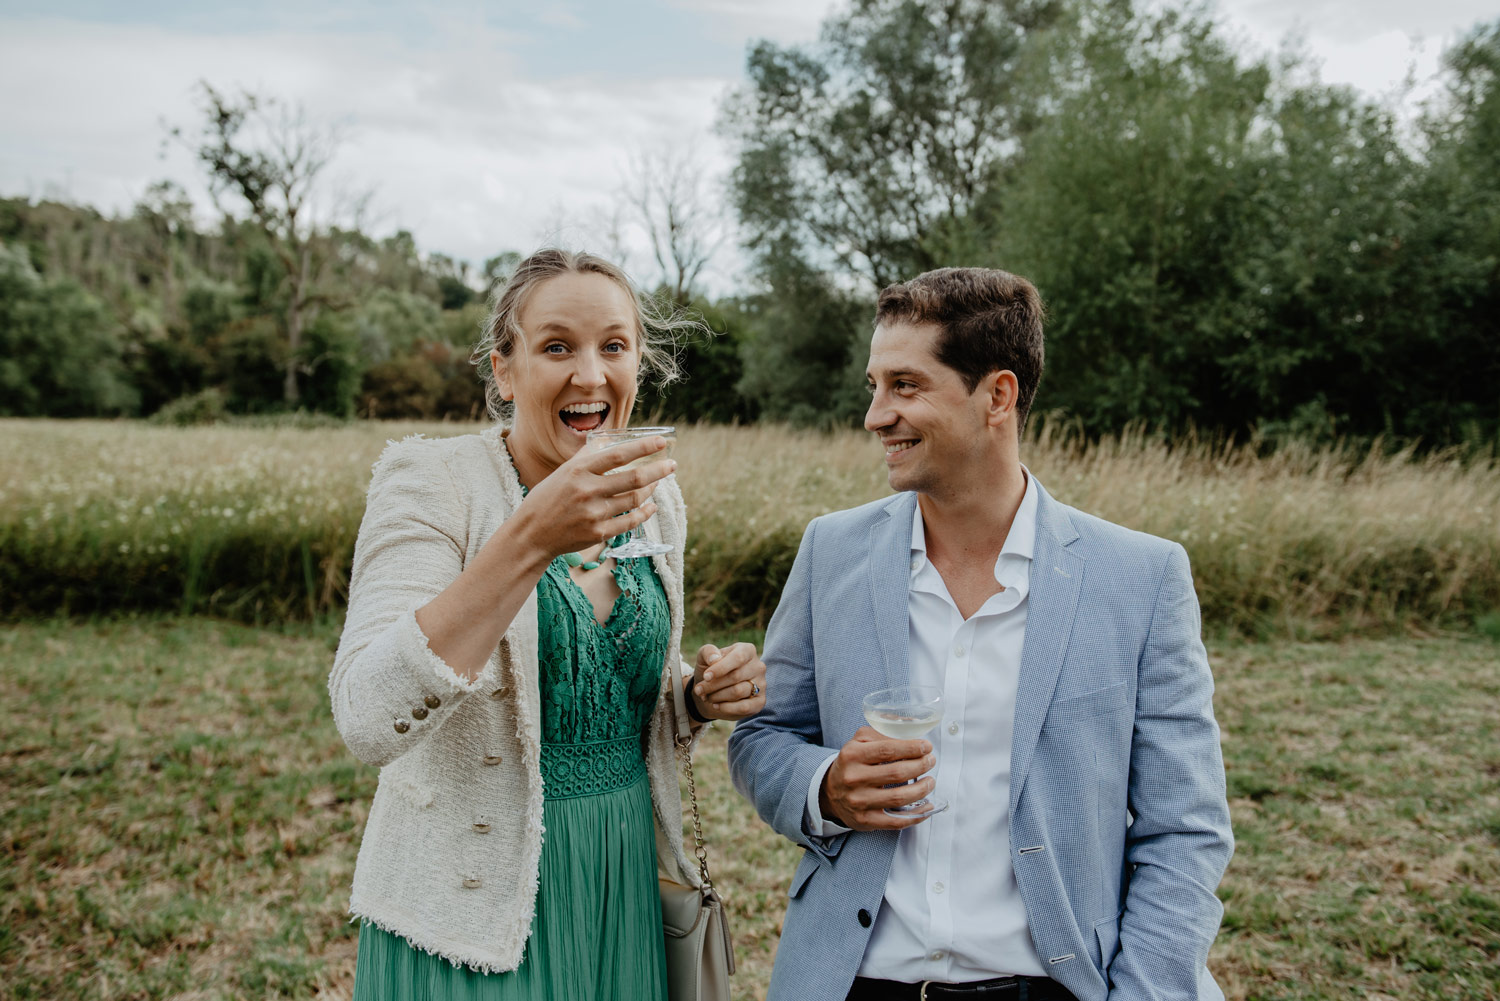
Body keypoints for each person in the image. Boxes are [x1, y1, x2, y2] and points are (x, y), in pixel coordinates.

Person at [727, 267, 1233, 1001]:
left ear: (998, 395)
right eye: (874, 385)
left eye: (905, 385)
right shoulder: (829, 550)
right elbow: (763, 736)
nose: (874, 414)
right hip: (855, 983)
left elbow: (1184, 829)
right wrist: (825, 787)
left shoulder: (1142, 577)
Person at [329, 248, 767, 999]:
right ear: (505, 369)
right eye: (558, 346)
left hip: (620, 881)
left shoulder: (653, 498)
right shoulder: (433, 483)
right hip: (475, 908)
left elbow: (615, 696)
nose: (590, 374)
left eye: (614, 346)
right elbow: (366, 716)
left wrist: (694, 695)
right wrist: (531, 538)